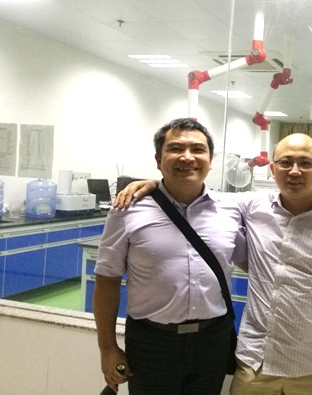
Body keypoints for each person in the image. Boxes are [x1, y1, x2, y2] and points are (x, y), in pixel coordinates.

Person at [115, 133, 312, 394]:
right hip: (255, 363)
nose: (295, 171)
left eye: (306, 163)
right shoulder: (251, 206)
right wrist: (154, 183)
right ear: (273, 169)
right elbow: (193, 191)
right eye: (285, 163)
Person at [94, 118, 246, 395]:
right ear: (158, 159)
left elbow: (249, 260)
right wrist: (108, 348)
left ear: (210, 160)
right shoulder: (127, 209)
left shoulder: (231, 209)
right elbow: (107, 281)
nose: (187, 157)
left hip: (212, 340)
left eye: (198, 149)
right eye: (175, 148)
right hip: (151, 343)